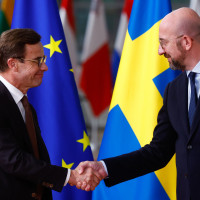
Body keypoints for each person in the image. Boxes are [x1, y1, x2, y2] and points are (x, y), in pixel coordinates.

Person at [77, 7, 200, 200]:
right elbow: (158, 152)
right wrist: (103, 167)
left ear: (186, 42)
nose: (160, 51)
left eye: (163, 43)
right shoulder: (174, 90)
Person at [0, 28, 100, 200]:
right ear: (13, 64)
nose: (44, 67)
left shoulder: (26, 106)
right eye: (37, 61)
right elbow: (13, 160)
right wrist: (71, 176)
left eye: (43, 59)